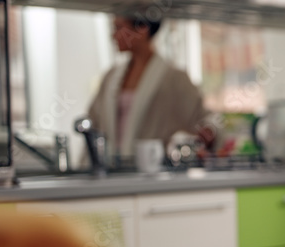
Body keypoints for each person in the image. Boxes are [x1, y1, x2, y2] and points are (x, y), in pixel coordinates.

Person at [87, 14, 215, 159]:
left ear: (142, 29)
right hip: (113, 171)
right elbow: (93, 124)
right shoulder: (110, 77)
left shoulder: (174, 78)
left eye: (119, 28)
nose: (113, 36)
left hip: (155, 172)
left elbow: (205, 122)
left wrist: (205, 136)